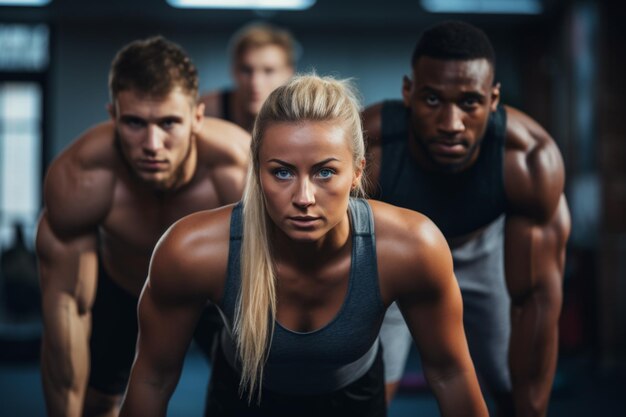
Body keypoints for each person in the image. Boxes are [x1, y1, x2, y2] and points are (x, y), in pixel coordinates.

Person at [119, 74, 489, 417]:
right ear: (257, 170)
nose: (304, 197)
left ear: (358, 171)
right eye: (281, 172)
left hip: (354, 397)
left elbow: (450, 373)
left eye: (325, 171)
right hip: (242, 396)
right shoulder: (193, 250)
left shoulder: (411, 247)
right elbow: (154, 377)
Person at [363, 21, 571, 416]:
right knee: (369, 398)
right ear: (408, 93)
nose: (451, 124)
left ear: (493, 99)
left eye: (470, 103)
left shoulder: (528, 161)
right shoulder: (369, 148)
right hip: (394, 255)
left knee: (512, 387)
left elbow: (536, 303)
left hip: (484, 251)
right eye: (432, 100)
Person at [36, 36, 250, 417]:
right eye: (134, 122)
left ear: (197, 118)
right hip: (125, 289)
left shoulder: (238, 172)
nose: (152, 143)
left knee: (250, 402)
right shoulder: (82, 179)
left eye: (169, 122)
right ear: (113, 116)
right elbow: (68, 313)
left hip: (213, 296)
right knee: (96, 403)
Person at [199, 22, 296, 132]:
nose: (255, 82)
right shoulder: (205, 110)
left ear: (289, 73)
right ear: (234, 71)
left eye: (269, 71)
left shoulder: (299, 116)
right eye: (246, 70)